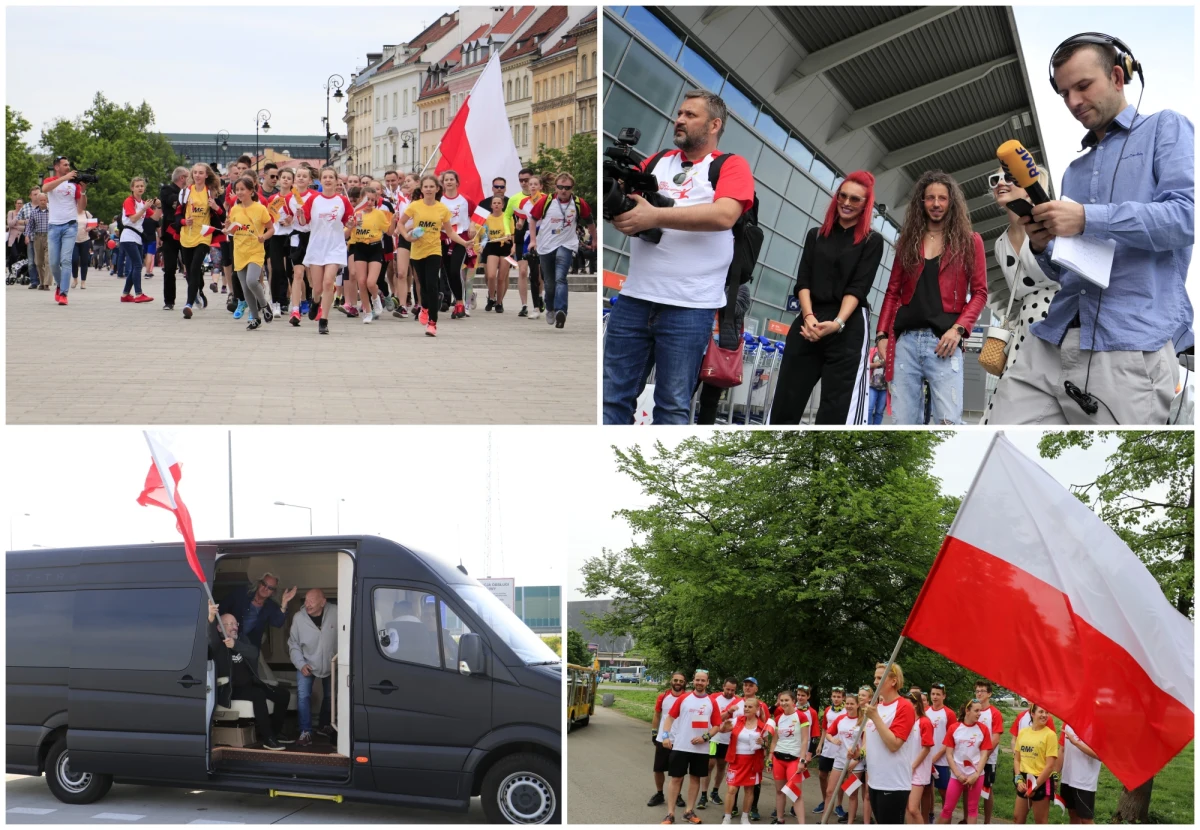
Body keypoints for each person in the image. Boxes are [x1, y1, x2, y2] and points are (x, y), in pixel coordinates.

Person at [991, 33, 1194, 425]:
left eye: (1083, 86)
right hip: (1051, 340)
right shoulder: (1074, 170)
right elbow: (1065, 270)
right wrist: (1043, 245)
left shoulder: (1166, 128)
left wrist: (1087, 217)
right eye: (1064, 93)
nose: (1073, 102)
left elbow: (1186, 217)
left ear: (1119, 76)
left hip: (1130, 346)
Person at [604, 89, 755, 424]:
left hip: (690, 306)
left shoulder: (730, 165)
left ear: (714, 125)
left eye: (690, 115)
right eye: (680, 113)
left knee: (672, 406)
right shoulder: (656, 161)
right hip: (635, 299)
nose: (680, 119)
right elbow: (631, 210)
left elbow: (724, 215)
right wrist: (622, 216)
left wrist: (655, 217)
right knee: (611, 400)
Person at [771, 171, 884, 424]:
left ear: (866, 205)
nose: (846, 203)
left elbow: (858, 287)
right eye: (842, 196)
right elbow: (803, 281)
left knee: (836, 410)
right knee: (786, 403)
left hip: (848, 324)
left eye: (855, 199)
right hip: (809, 320)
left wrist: (837, 323)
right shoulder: (816, 235)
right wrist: (808, 316)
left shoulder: (872, 241)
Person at [875, 170, 986, 424]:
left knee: (948, 424)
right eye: (930, 198)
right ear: (921, 202)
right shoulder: (907, 242)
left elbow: (980, 293)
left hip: (944, 344)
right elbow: (893, 291)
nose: (936, 204)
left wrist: (958, 330)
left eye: (942, 198)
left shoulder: (970, 242)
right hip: (906, 344)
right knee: (903, 425)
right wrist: (881, 334)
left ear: (951, 202)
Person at [980, 166, 1060, 425]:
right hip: (1025, 326)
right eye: (996, 180)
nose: (1001, 183)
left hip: (1057, 318)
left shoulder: (1050, 228)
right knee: (1008, 401)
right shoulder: (999, 243)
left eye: (1010, 178)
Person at [210, 609, 291, 751]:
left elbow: (254, 653)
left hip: (251, 684)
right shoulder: (216, 643)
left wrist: (235, 645)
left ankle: (275, 733)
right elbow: (208, 637)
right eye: (230, 624)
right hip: (230, 689)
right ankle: (268, 739)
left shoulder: (241, 639)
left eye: (236, 623)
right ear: (219, 627)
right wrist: (210, 617)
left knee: (283, 694)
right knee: (258, 694)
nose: (235, 627)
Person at [401, 174, 471, 338]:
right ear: (422, 189)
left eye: (432, 187)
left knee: (433, 285)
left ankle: (433, 323)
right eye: (426, 186)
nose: (428, 189)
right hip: (417, 251)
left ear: (437, 189)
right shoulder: (414, 206)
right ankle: (424, 307)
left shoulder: (442, 209)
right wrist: (407, 236)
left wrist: (464, 243)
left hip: (434, 250)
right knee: (423, 286)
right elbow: (400, 223)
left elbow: (450, 232)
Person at [531, 172, 595, 330]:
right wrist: (533, 240)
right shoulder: (546, 201)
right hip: (546, 245)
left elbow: (590, 221)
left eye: (567, 188)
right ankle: (551, 308)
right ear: (555, 187)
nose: (563, 190)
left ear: (572, 188)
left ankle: (561, 311)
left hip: (566, 244)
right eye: (560, 187)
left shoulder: (579, 203)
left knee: (561, 278)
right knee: (550, 283)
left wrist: (595, 239)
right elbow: (532, 219)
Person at [659, 670, 721, 825]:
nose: (700, 683)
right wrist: (665, 737)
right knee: (676, 779)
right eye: (697, 680)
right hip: (681, 746)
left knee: (695, 779)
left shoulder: (712, 701)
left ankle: (689, 811)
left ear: (708, 682)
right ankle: (670, 814)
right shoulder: (684, 698)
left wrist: (705, 737)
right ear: (693, 681)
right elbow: (669, 718)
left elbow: (717, 726)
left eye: (703, 680)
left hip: (700, 749)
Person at [302, 166, 357, 336]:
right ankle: (315, 301)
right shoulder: (313, 200)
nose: (327, 180)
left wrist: (352, 223)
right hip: (317, 245)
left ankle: (324, 320)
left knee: (328, 283)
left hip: (335, 245)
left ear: (336, 181)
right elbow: (304, 221)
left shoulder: (342, 200)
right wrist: (298, 215)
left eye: (330, 177)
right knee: (317, 287)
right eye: (324, 177)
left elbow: (349, 222)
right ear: (320, 180)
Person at [862, 662, 917, 825]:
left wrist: (875, 717)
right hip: (874, 780)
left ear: (893, 681)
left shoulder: (904, 707)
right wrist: (858, 754)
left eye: (880, 678)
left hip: (893, 783)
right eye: (875, 678)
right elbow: (872, 742)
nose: (875, 682)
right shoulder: (876, 707)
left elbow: (894, 745)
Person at [287, 589, 338, 748]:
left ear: (322, 602)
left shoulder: (337, 612)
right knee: (303, 696)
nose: (306, 604)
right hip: (306, 662)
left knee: (331, 697)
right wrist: (300, 664)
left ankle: (324, 726)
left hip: (332, 663)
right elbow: (293, 644)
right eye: (305, 600)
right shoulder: (299, 618)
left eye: (311, 601)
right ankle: (306, 732)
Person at [226, 174, 275, 330]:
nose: (239, 192)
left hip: (255, 250)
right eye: (237, 189)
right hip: (239, 251)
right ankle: (255, 318)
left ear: (252, 191)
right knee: (245, 288)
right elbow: (231, 231)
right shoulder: (234, 209)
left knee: (252, 281)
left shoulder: (260, 208)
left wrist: (264, 236)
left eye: (243, 189)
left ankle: (264, 304)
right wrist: (227, 228)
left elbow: (271, 228)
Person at [178, 162, 225, 318]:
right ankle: (199, 291)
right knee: (190, 272)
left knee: (195, 267)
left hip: (203, 236)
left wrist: (216, 207)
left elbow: (223, 215)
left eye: (201, 173)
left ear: (206, 175)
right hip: (186, 236)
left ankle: (188, 304)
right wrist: (184, 222)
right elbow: (177, 216)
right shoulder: (185, 192)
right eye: (195, 172)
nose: (197, 175)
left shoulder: (210, 193)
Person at [936, 699, 993, 825]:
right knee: (947, 809)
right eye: (976, 710)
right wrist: (958, 774)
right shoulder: (954, 728)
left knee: (972, 809)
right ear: (967, 711)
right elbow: (949, 754)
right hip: (957, 776)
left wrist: (976, 774)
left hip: (976, 776)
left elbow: (984, 755)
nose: (979, 714)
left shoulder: (983, 729)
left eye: (980, 711)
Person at [720, 691, 773, 826]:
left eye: (750, 707)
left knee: (749, 790)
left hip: (752, 762)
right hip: (736, 760)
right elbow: (721, 727)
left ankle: (744, 817)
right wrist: (722, 728)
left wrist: (763, 744)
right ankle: (727, 818)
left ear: (757, 709)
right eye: (745, 706)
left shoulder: (762, 726)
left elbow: (767, 744)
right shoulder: (737, 720)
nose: (746, 709)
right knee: (731, 790)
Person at [42, 155, 89, 305]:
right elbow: (45, 189)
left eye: (69, 165)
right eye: (65, 165)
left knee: (66, 260)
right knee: (54, 262)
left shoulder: (74, 185)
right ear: (57, 167)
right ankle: (60, 284)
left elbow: (81, 207)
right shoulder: (50, 181)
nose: (68, 167)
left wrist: (83, 191)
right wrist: (65, 178)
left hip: (70, 225)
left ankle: (63, 293)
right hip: (54, 226)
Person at [218, 572, 298, 652]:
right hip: (227, 641)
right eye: (264, 584)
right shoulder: (241, 593)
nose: (265, 589)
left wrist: (284, 602)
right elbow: (221, 609)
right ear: (259, 583)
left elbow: (277, 623)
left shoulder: (271, 606)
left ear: (273, 592)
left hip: (249, 648)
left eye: (270, 588)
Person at [348, 185, 391, 323]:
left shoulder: (379, 214)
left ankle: (375, 297)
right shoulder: (355, 213)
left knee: (371, 282)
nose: (370, 202)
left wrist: (394, 219)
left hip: (375, 248)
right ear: (361, 199)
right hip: (359, 247)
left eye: (372, 200)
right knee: (361, 281)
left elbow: (389, 232)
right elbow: (346, 234)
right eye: (367, 199)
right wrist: (351, 226)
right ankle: (367, 311)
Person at [649, 672, 690, 809]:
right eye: (676, 680)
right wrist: (654, 732)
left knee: (678, 771)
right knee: (658, 769)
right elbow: (657, 713)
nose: (678, 682)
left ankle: (677, 795)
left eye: (681, 681)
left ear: (685, 683)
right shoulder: (663, 696)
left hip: (680, 740)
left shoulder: (688, 698)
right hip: (663, 738)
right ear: (671, 681)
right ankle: (659, 794)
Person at [768, 689, 808, 825]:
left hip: (794, 759)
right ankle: (780, 819)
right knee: (779, 791)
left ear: (793, 701)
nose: (784, 703)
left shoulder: (801, 716)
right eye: (781, 700)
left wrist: (802, 760)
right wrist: (769, 758)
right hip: (778, 758)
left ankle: (802, 824)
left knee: (795, 793)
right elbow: (774, 740)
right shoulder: (778, 718)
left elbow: (804, 740)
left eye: (787, 700)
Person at [1013, 704, 1058, 824]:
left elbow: (1050, 766)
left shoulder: (1050, 735)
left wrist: (1034, 786)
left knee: (1040, 822)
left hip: (1041, 780)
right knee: (1017, 818)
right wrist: (1018, 779)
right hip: (1023, 779)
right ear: (1032, 714)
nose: (1044, 715)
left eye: (1046, 712)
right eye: (1041, 712)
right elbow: (1017, 759)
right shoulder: (1023, 733)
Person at [825, 692, 865, 826]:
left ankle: (849, 823)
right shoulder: (841, 718)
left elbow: (866, 745)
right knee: (830, 791)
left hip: (855, 763)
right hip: (840, 760)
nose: (848, 706)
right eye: (847, 703)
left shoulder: (863, 720)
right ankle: (824, 820)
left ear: (858, 704)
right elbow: (828, 733)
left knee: (852, 794)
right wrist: (833, 739)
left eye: (852, 704)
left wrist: (857, 760)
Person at [439, 170, 473, 319]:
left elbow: (475, 214)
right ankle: (457, 300)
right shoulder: (439, 200)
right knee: (447, 272)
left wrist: (472, 225)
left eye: (452, 179)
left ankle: (460, 302)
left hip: (461, 239)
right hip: (443, 238)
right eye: (446, 180)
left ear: (457, 182)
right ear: (443, 183)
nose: (449, 182)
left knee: (455, 270)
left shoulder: (465, 199)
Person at [285, 166, 315, 325]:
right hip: (297, 236)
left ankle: (315, 302)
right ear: (295, 179)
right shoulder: (290, 197)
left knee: (311, 276)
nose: (301, 178)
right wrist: (288, 220)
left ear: (310, 180)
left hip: (313, 235)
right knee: (297, 273)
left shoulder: (315, 196)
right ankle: (295, 309)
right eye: (299, 176)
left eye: (305, 176)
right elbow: (288, 216)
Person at [474, 195, 514, 313]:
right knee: (491, 275)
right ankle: (491, 297)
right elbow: (483, 234)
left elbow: (512, 234)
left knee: (501, 278)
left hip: (505, 247)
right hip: (491, 246)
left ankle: (499, 302)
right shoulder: (486, 218)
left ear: (503, 205)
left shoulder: (508, 218)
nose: (496, 205)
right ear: (491, 205)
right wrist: (480, 245)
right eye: (494, 203)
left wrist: (513, 244)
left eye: (499, 203)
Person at [972, 679, 1005, 824]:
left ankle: (987, 822)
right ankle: (969, 819)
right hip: (971, 758)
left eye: (982, 691)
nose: (979, 693)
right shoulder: (972, 709)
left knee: (986, 791)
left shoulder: (995, 713)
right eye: (977, 691)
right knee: (970, 789)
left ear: (989, 694)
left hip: (987, 760)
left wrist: (983, 757)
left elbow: (995, 739)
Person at [118, 177, 155, 304]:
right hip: (128, 236)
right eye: (137, 186)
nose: (140, 188)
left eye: (142, 186)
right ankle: (138, 294)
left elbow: (155, 217)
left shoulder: (142, 203)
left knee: (136, 265)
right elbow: (133, 219)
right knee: (138, 264)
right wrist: (144, 209)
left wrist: (159, 206)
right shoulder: (130, 201)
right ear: (132, 188)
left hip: (137, 237)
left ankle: (125, 294)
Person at [706, 678, 741, 809]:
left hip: (728, 740)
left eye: (733, 690)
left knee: (721, 766)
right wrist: (729, 712)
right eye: (727, 689)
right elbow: (713, 718)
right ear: (723, 687)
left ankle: (714, 792)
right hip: (714, 737)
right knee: (709, 765)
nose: (730, 692)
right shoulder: (713, 697)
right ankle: (703, 794)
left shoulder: (738, 701)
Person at [926, 682, 958, 822]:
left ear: (944, 696)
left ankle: (947, 821)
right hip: (925, 759)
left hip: (942, 761)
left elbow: (950, 740)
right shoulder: (925, 711)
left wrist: (936, 757)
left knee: (944, 792)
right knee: (926, 791)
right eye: (933, 694)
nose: (935, 697)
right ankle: (927, 818)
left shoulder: (949, 714)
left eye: (938, 694)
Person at [812, 686, 846, 819]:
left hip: (840, 750)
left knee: (839, 779)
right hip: (827, 749)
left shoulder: (846, 710)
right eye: (834, 696)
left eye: (839, 697)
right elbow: (825, 729)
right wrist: (820, 745)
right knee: (822, 775)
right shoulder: (827, 710)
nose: (836, 699)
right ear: (831, 697)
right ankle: (825, 799)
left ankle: (838, 804)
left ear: (843, 697)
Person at [159, 166, 189, 311]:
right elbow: (174, 202)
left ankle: (196, 292)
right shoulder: (167, 190)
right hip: (171, 234)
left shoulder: (191, 192)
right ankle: (169, 301)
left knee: (191, 265)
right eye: (188, 177)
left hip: (187, 232)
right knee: (170, 268)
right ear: (182, 178)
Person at [1058, 723, 1101, 824]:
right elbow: (1062, 750)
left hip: (1084, 781)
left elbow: (1099, 755)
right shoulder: (1067, 723)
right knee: (1072, 814)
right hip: (1067, 779)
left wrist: (1076, 743)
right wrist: (1055, 775)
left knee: (1086, 819)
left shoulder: (1097, 725)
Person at [905, 689, 936, 824]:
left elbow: (926, 748)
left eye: (907, 704)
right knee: (907, 807)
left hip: (918, 769)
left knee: (913, 808)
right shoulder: (908, 720)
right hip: (906, 768)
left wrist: (913, 766)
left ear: (915, 704)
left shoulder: (925, 722)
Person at [27, 193, 50, 292]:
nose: (43, 202)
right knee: (39, 262)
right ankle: (42, 282)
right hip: (37, 237)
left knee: (48, 260)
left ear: (47, 200)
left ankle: (47, 284)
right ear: (38, 201)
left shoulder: (52, 211)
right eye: (41, 200)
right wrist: (27, 236)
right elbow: (29, 226)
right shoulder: (34, 212)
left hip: (49, 237)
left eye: (44, 200)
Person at [866, 346, 887, 425]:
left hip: (885, 387)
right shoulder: (872, 350)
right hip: (872, 385)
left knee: (879, 411)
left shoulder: (891, 352)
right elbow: (866, 364)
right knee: (869, 408)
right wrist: (878, 364)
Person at [141, 200, 159, 280]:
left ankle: (147, 269)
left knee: (145, 255)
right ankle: (147, 272)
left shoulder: (142, 218)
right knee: (149, 255)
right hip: (152, 238)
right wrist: (161, 238)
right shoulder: (154, 218)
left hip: (143, 237)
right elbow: (158, 230)